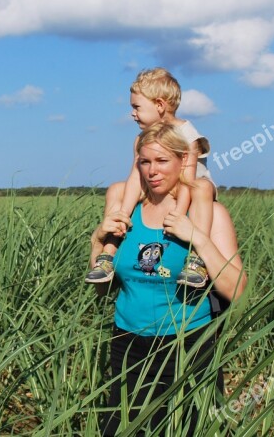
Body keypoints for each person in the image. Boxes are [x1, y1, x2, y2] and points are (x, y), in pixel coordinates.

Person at [89, 122, 247, 435]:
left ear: (182, 162)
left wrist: (198, 238)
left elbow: (237, 289)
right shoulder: (127, 209)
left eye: (162, 161)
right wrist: (98, 238)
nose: (152, 171)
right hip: (127, 343)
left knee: (187, 428)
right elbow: (102, 291)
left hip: (187, 345)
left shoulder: (210, 212)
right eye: (145, 162)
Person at [86, 68, 216, 288]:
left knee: (201, 187)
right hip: (157, 187)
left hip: (188, 187)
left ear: (159, 105)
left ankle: (195, 260)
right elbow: (136, 177)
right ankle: (107, 256)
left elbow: (187, 180)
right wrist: (123, 215)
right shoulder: (142, 139)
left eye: (137, 107)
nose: (132, 113)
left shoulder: (188, 136)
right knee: (117, 189)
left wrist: (177, 214)